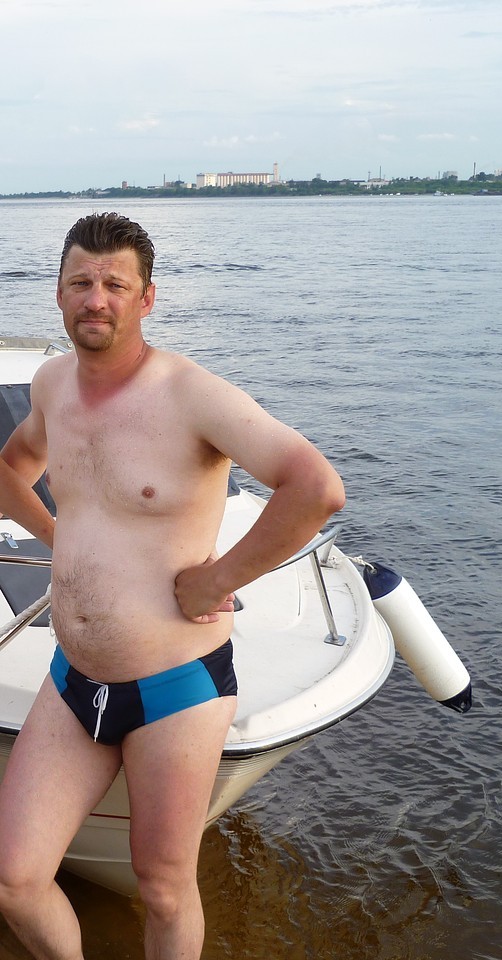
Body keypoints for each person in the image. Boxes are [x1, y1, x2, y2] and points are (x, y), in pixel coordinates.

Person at [0, 212, 345, 960]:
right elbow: (11, 468)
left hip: (174, 687)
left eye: (115, 285)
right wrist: (61, 539)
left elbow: (314, 487)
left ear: (147, 298)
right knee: (15, 879)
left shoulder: (191, 395)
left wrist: (219, 578)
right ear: (58, 293)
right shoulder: (52, 384)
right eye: (80, 282)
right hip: (73, 680)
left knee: (162, 887)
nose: (96, 298)